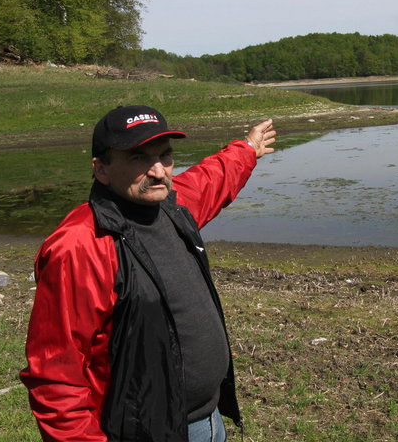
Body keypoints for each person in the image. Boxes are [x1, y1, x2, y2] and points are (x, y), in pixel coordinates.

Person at [20, 105, 277, 441]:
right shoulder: (80, 246)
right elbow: (57, 376)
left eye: (165, 156)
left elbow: (210, 179)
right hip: (144, 431)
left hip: (207, 419)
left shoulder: (172, 206)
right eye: (139, 158)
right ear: (102, 170)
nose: (158, 171)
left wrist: (246, 149)